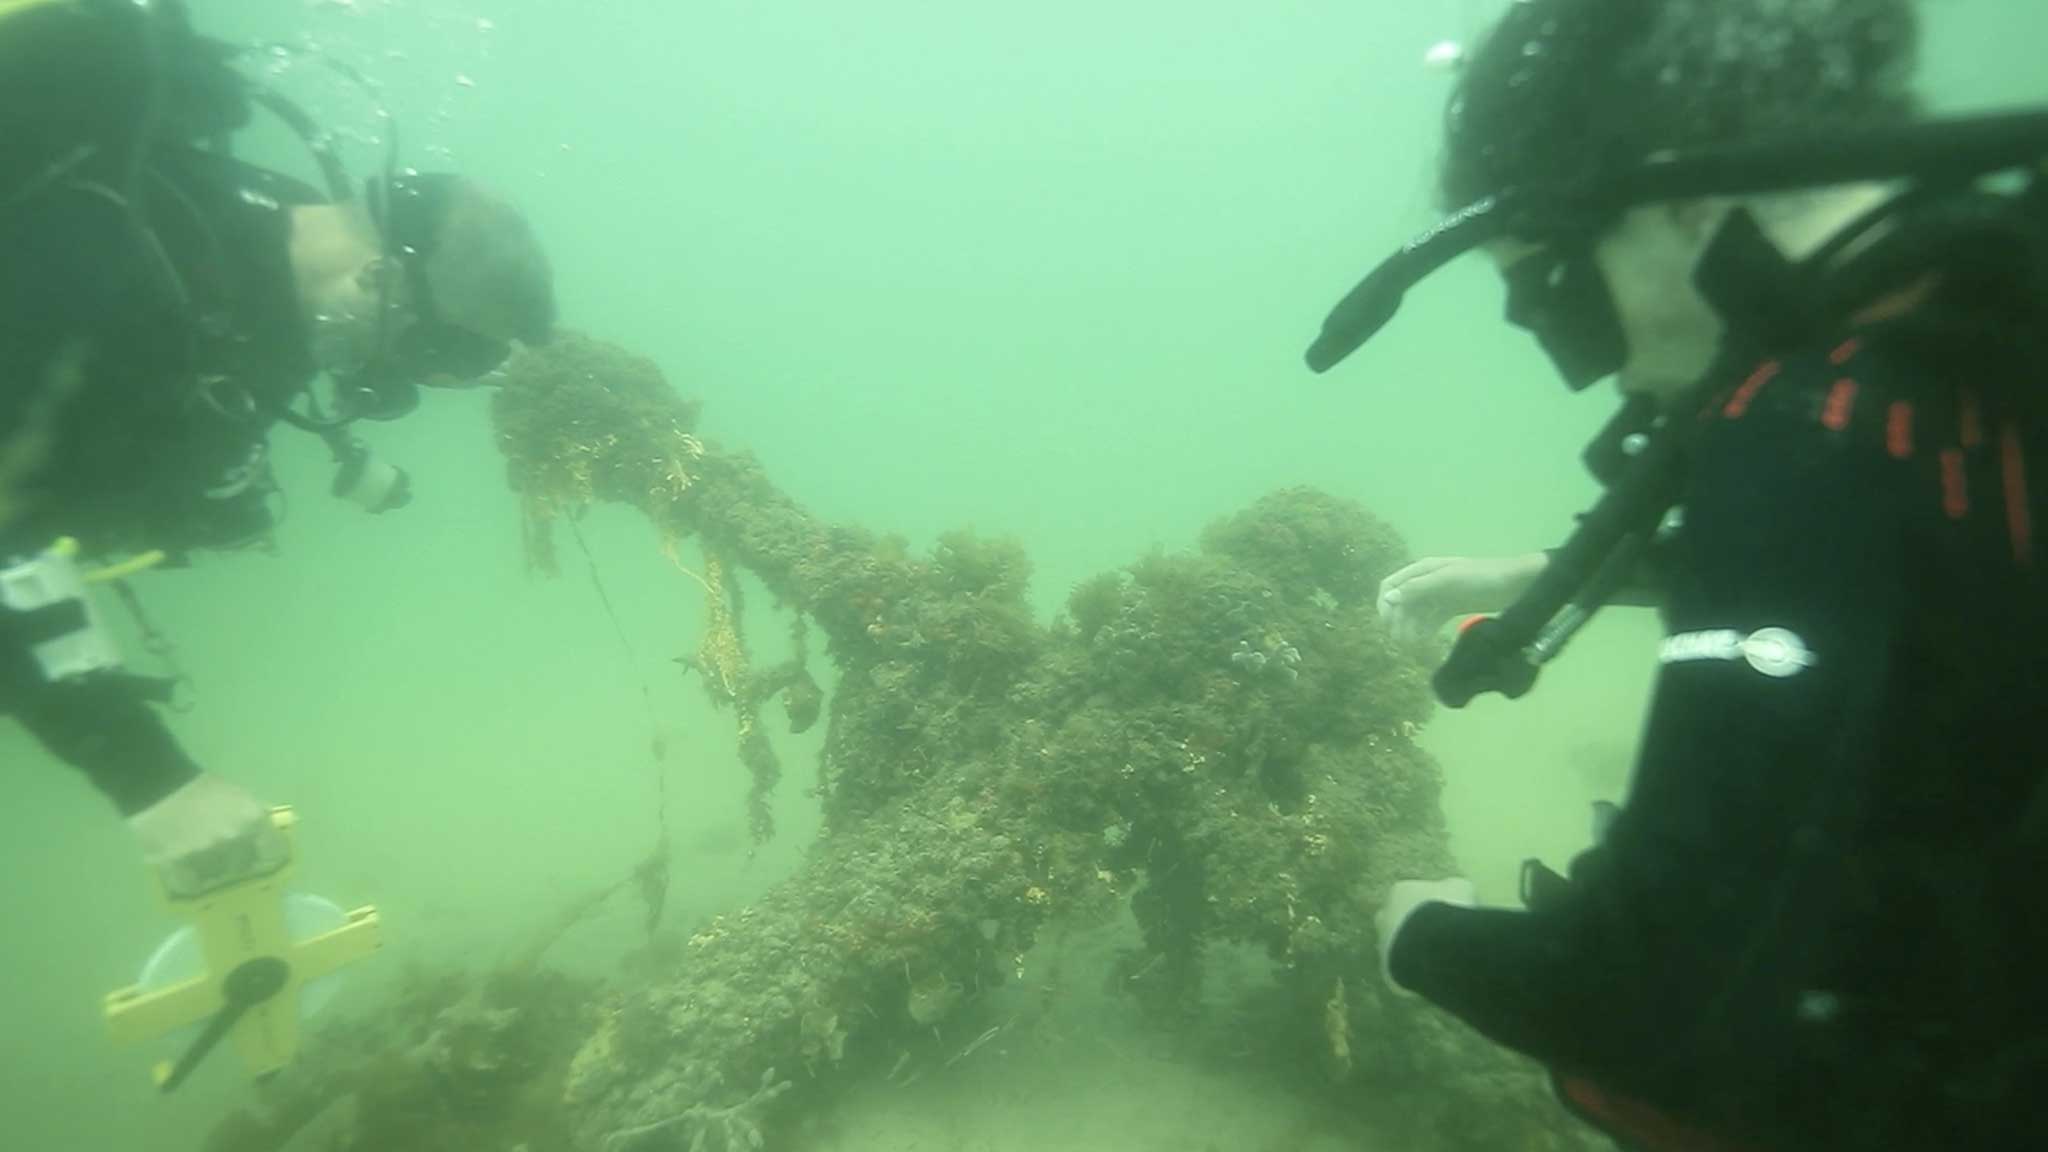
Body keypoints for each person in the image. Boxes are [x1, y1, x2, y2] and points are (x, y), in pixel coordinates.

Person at [1304, 0, 2048, 1149]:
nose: (1578, 369)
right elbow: (1903, 567)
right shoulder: (1976, 342)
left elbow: (1653, 1009)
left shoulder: (1805, 430)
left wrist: (1422, 937)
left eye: (1555, 297)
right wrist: (1541, 570)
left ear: (1684, 203)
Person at [1, 0, 555, 898]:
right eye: (411, 353)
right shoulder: (113, 266)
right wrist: (149, 777)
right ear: (381, 275)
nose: (382, 387)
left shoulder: (263, 242)